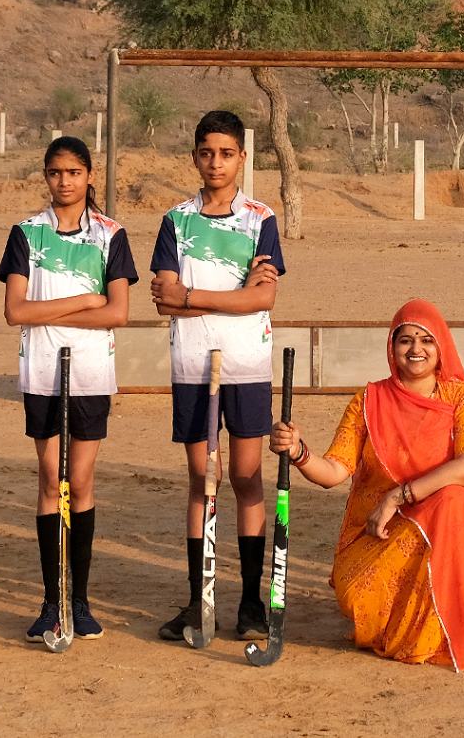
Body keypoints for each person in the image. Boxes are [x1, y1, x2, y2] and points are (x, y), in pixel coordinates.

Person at [266, 299, 464, 669]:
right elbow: (335, 471)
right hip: (381, 535)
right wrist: (298, 453)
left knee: (456, 501)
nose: (416, 350)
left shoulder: (462, 399)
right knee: (358, 596)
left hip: (447, 529)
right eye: (406, 340)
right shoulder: (369, 401)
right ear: (392, 347)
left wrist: (399, 495)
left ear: (442, 348)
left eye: (426, 340)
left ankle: (450, 634)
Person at [150, 111, 285, 643]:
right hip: (191, 365)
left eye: (226, 153)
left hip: (247, 364)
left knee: (249, 478)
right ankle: (197, 596)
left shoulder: (260, 218)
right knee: (204, 480)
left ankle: (250, 600)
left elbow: (265, 297)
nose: (216, 162)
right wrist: (227, 298)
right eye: (207, 152)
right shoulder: (176, 220)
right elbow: (164, 299)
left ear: (242, 159)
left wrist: (195, 297)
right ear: (195, 157)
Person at [0, 136, 136, 642]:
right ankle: (49, 600)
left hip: (90, 375)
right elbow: (17, 310)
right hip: (41, 372)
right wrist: (82, 299)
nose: (65, 181)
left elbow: (118, 312)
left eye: (74, 173)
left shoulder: (110, 235)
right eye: (56, 173)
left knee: (78, 483)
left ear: (89, 176)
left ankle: (78, 599)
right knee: (47, 481)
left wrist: (57, 308)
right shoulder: (26, 233)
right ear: (46, 176)